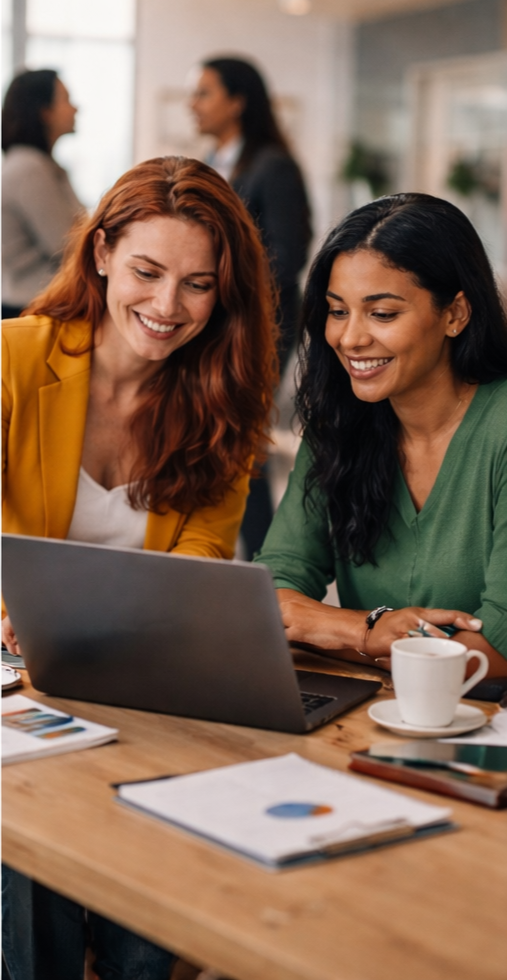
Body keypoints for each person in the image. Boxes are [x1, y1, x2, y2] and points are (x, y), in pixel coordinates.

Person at [2, 155, 278, 979]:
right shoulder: (14, 360)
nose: (167, 307)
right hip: (16, 685)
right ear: (100, 255)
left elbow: (199, 560)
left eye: (197, 285)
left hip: (142, 685)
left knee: (179, 832)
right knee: (30, 831)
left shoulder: (226, 396)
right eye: (147, 272)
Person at [257, 193, 507, 676]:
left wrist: (323, 628)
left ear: (455, 313)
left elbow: (496, 649)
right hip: (368, 714)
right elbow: (273, 591)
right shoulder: (339, 423)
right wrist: (366, 632)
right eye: (337, 311)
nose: (350, 339)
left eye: (383, 314)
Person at [190, 55, 312, 559]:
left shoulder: (272, 165)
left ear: (237, 102)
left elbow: (288, 254)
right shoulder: (215, 161)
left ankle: (266, 564)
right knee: (223, 436)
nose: (193, 104)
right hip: (212, 320)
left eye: (204, 93)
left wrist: (222, 288)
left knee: (243, 439)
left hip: (259, 324)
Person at [2, 68, 83, 318]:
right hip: (29, 306)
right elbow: (68, 245)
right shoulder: (30, 169)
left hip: (34, 301)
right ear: (44, 112)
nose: (75, 109)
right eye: (66, 100)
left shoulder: (42, 165)